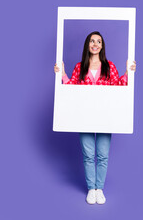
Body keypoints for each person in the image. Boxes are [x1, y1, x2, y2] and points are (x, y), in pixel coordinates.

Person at [54, 31, 136, 204]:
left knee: (103, 155)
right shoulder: (79, 67)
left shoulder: (109, 66)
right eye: (92, 41)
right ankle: (92, 189)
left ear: (102, 46)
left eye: (99, 41)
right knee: (88, 154)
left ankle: (100, 189)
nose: (95, 44)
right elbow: (71, 89)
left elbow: (119, 85)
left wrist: (129, 72)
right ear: (88, 45)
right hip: (84, 117)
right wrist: (61, 74)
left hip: (105, 118)